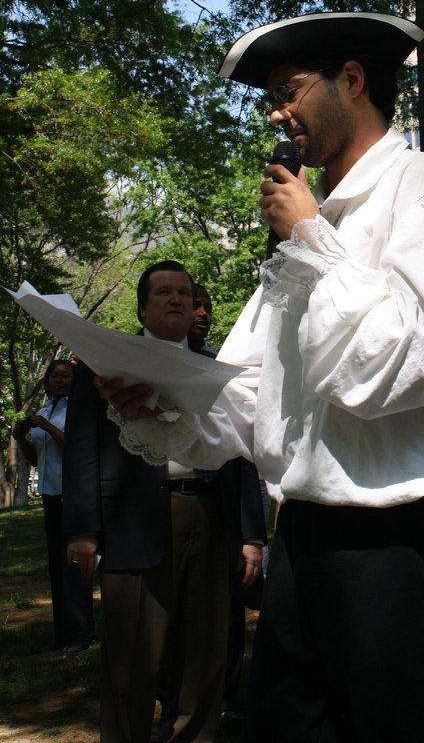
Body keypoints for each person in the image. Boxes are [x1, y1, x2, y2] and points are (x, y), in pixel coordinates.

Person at [94, 12, 424, 743]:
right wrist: (160, 401)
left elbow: (406, 362)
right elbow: (261, 397)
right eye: (271, 96)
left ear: (350, 80)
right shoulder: (307, 225)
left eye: (287, 89)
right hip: (305, 535)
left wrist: (310, 239)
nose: (273, 112)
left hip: (401, 537)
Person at [61, 261, 266, 743]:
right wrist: (83, 528)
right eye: (164, 293)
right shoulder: (104, 363)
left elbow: (241, 453)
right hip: (134, 522)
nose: (177, 300)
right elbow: (82, 450)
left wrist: (252, 535)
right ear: (142, 307)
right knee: (133, 658)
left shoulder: (217, 367)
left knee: (205, 652)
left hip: (210, 517)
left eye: (184, 293)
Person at [12, 358, 94, 653]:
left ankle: (82, 632)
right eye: (54, 377)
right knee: (57, 565)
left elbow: (76, 448)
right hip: (50, 494)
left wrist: (45, 426)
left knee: (75, 565)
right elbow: (38, 460)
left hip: (73, 493)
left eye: (65, 376)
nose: (59, 381)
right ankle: (63, 632)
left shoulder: (77, 410)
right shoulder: (46, 409)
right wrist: (22, 440)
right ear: (47, 381)